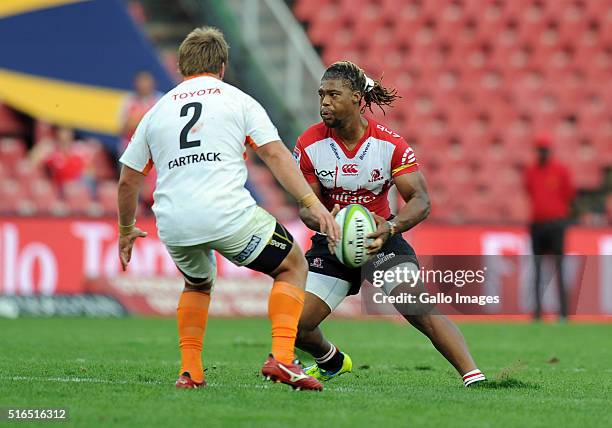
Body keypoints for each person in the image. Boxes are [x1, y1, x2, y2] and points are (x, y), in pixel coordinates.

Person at [117, 27, 339, 390]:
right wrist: (311, 202)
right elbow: (275, 154)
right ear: (221, 66)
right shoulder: (238, 100)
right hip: (226, 215)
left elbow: (128, 180)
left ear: (181, 66)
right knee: (292, 265)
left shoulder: (156, 111)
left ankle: (190, 372)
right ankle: (283, 359)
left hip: (173, 222)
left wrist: (126, 230)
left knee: (197, 283)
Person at [293, 61, 486, 387]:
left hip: (382, 238)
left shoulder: (390, 145)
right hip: (333, 241)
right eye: (321, 95)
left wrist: (391, 228)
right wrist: (324, 217)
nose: (324, 102)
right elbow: (306, 206)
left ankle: (474, 376)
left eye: (333, 95)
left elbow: (421, 200)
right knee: (296, 324)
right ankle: (332, 361)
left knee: (415, 305)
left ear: (356, 98)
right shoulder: (310, 144)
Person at [524, 133, 575, 321]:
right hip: (537, 225)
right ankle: (537, 313)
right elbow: (530, 191)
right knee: (537, 269)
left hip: (555, 224)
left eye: (545, 150)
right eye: (540, 150)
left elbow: (568, 193)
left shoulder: (560, 170)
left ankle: (563, 313)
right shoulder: (531, 171)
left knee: (559, 269)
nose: (543, 153)